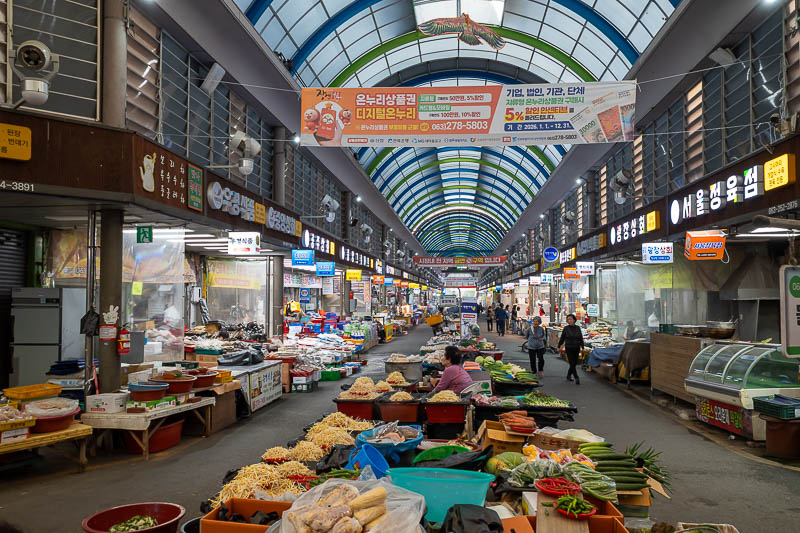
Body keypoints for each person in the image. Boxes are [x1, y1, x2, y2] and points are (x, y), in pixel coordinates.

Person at [558, 313, 584, 385]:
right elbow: (562, 338)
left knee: (574, 363)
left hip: (576, 347)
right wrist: (558, 346)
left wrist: (582, 347)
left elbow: (580, 338)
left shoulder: (578, 328)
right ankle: (576, 377)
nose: (569, 321)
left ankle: (568, 375)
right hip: (569, 347)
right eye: (568, 319)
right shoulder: (566, 328)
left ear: (574, 320)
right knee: (571, 362)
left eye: (570, 319)